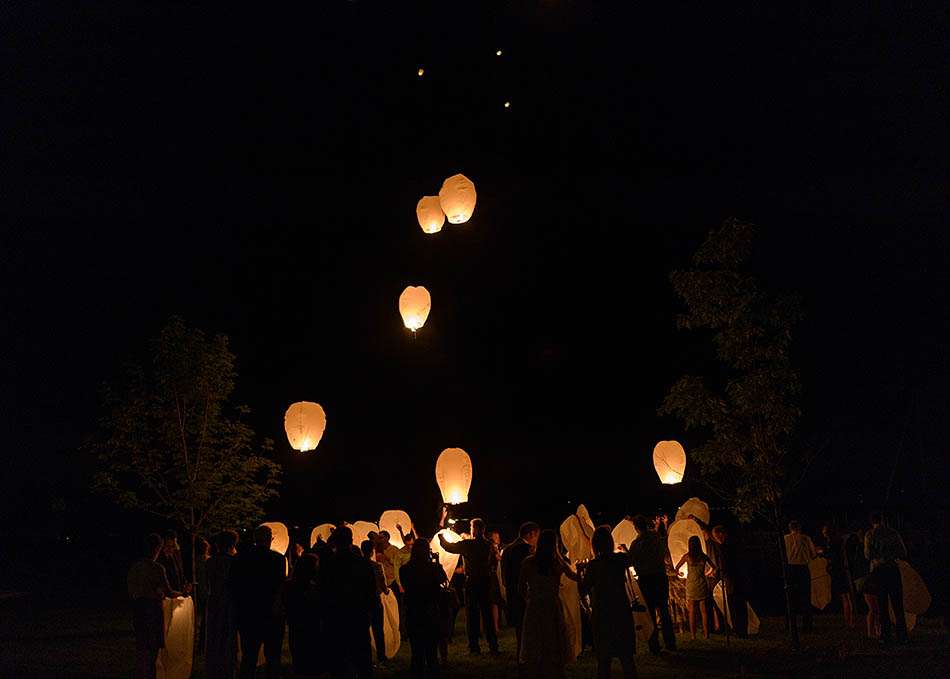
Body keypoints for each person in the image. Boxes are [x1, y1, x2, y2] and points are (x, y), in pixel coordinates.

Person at [519, 529, 580, 679]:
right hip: (551, 604)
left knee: (536, 637)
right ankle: (553, 668)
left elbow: (520, 587)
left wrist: (529, 598)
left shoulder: (529, 562)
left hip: (535, 604)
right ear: (555, 544)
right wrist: (582, 570)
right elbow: (575, 578)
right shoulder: (558, 563)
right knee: (553, 637)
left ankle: (537, 669)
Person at [229, 524, 287, 679]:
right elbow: (281, 586)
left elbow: (234, 586)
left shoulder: (240, 558)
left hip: (248, 613)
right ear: (270, 539)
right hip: (271, 614)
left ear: (255, 539)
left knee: (249, 657)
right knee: (273, 657)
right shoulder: (278, 559)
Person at [580, 526, 639, 679]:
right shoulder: (620, 559)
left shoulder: (594, 565)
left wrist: (581, 573)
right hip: (620, 609)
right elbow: (633, 558)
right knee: (626, 657)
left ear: (595, 544)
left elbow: (583, 589)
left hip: (602, 611)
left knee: (604, 659)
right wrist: (625, 550)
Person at [320, 525, 377, 679]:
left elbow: (323, 592)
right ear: (351, 541)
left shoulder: (328, 565)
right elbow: (372, 593)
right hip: (358, 617)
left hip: (336, 619)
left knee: (339, 665)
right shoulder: (363, 564)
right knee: (362, 663)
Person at [438, 517, 499, 655]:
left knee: (472, 614)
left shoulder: (468, 544)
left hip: (472, 582)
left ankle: (474, 646)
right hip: (486, 581)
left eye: (471, 528)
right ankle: (493, 645)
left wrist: (442, 535)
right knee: (487, 613)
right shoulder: (489, 544)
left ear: (475, 529)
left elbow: (449, 547)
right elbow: (494, 562)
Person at [687, 515, 747, 636]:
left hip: (733, 577)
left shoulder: (728, 546)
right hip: (723, 576)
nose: (716, 538)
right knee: (725, 602)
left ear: (722, 534)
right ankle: (726, 628)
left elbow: (727, 563)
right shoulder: (716, 546)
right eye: (715, 537)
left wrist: (697, 520)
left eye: (717, 536)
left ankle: (740, 630)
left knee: (736, 603)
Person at [128, 533, 177, 679]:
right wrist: (184, 594)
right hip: (152, 609)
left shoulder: (134, 568)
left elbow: (132, 589)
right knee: (152, 650)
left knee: (142, 647)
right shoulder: (157, 568)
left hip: (138, 608)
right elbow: (168, 591)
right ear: (157, 548)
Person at [628, 515, 676, 654]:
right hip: (660, 577)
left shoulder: (636, 544)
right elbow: (663, 550)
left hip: (646, 579)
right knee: (664, 610)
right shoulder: (655, 538)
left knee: (650, 614)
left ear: (636, 528)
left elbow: (630, 560)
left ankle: (654, 645)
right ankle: (670, 642)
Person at [401, 537, 448, 678]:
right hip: (430, 612)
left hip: (413, 612)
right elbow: (443, 580)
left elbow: (405, 585)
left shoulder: (405, 569)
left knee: (416, 652)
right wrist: (436, 562)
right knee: (431, 653)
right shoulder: (433, 568)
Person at [864, 512, 908, 644]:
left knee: (882, 604)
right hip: (892, 569)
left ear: (872, 522)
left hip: (878, 570)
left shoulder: (870, 535)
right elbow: (903, 552)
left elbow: (867, 555)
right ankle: (902, 635)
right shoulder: (893, 533)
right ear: (883, 520)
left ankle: (885, 635)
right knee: (897, 604)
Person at [286, 552, 327, 677]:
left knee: (300, 661)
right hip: (312, 628)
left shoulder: (289, 586)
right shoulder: (315, 588)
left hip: (295, 627)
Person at [501, 521, 540, 654]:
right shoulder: (526, 549)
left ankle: (521, 654)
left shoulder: (507, 549)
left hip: (512, 593)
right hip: (525, 593)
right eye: (537, 537)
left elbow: (504, 575)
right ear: (531, 534)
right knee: (528, 627)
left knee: (519, 628)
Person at [205, 530, 239, 679]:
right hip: (230, 603)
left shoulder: (210, 562)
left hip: (214, 602)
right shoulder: (234, 562)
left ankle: (214, 669)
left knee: (214, 637)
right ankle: (228, 670)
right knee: (229, 639)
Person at [674, 535, 715, 640]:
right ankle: (706, 635)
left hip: (691, 584)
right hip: (701, 583)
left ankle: (693, 635)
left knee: (692, 611)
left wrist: (680, 574)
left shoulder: (687, 556)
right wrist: (707, 574)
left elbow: (676, 568)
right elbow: (714, 567)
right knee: (704, 611)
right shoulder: (704, 556)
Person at [818, 524, 854, 628]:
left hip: (838, 571)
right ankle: (849, 621)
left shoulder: (832, 543)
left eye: (824, 530)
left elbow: (832, 555)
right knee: (846, 597)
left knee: (845, 597)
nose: (822, 532)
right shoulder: (838, 541)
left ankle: (849, 622)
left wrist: (822, 553)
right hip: (841, 570)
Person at [784, 520, 817, 633]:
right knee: (805, 597)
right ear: (799, 528)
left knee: (790, 597)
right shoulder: (806, 538)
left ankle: (790, 624)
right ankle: (807, 625)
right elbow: (813, 554)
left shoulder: (785, 539)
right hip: (802, 568)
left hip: (789, 569)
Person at [362, 538, 390, 665]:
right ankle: (381, 655)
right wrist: (386, 590)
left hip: (362, 602)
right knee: (378, 630)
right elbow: (382, 583)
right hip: (375, 600)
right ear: (372, 551)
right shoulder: (376, 566)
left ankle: (365, 656)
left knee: (363, 630)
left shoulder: (358, 565)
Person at [194, 536, 211, 652]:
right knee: (204, 618)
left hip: (204, 590)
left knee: (204, 618)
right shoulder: (202, 561)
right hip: (205, 591)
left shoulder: (201, 560)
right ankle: (202, 643)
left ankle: (202, 642)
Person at [157, 529, 187, 594]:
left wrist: (185, 583)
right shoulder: (159, 559)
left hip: (178, 594)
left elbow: (180, 572)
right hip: (167, 596)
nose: (172, 549)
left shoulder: (176, 556)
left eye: (173, 546)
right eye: (169, 546)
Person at [487, 528, 505, 633]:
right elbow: (498, 559)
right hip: (493, 576)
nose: (498, 538)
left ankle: (495, 625)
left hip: (495, 576)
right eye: (496, 536)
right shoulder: (492, 547)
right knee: (494, 603)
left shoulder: (496, 547)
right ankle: (495, 626)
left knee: (495, 602)